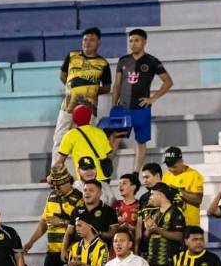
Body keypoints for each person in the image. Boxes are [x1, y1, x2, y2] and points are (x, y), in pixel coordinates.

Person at [103, 29, 172, 176]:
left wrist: (152, 98)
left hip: (141, 109)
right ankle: (106, 169)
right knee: (114, 137)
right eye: (131, 41)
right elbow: (117, 85)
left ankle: (135, 172)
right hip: (122, 108)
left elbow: (168, 82)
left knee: (141, 141)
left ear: (144, 42)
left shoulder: (152, 61)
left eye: (137, 40)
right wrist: (113, 105)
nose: (133, 44)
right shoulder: (123, 60)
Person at [54, 26, 112, 146]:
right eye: (85, 40)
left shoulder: (103, 63)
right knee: (59, 139)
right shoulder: (72, 56)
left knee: (86, 142)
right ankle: (57, 160)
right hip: (68, 106)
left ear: (99, 42)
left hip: (89, 108)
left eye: (92, 40)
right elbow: (62, 76)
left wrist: (90, 91)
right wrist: (74, 90)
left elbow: (107, 88)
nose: (87, 43)